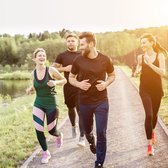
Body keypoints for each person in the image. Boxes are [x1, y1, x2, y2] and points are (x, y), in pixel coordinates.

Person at [69, 32, 115, 168]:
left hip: (101, 101)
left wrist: (106, 84)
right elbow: (71, 77)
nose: (80, 48)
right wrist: (79, 84)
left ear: (92, 44)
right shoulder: (78, 60)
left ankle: (99, 162)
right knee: (88, 131)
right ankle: (90, 140)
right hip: (84, 102)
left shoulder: (105, 59)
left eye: (82, 45)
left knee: (101, 131)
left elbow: (112, 75)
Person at [26, 48, 67, 164]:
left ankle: (59, 135)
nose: (42, 57)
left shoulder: (51, 70)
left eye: (43, 55)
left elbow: (64, 80)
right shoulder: (33, 73)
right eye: (39, 55)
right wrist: (30, 89)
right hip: (38, 103)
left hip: (51, 104)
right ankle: (46, 152)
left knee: (51, 130)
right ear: (35, 59)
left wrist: (55, 82)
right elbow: (36, 86)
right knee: (38, 130)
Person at [134, 33, 166, 156]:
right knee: (149, 115)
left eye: (144, 42)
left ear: (152, 43)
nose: (142, 45)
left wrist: (150, 64)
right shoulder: (140, 57)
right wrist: (137, 71)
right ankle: (149, 146)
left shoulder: (160, 56)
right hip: (144, 89)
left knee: (155, 115)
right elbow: (138, 69)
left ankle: (152, 131)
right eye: (141, 43)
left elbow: (162, 73)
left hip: (157, 90)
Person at [53, 33, 85, 147]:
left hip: (80, 86)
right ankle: (73, 126)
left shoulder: (82, 53)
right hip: (68, 86)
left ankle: (82, 137)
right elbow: (53, 69)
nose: (70, 43)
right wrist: (64, 68)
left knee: (81, 111)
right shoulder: (62, 55)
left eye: (72, 41)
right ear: (66, 43)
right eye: (68, 41)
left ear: (77, 42)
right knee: (71, 109)